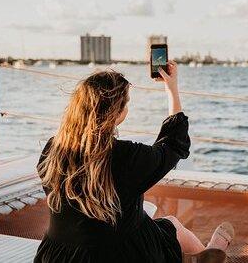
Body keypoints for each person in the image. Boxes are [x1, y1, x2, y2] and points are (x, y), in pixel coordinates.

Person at [34, 61, 234, 263]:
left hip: (57, 257)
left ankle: (206, 256)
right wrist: (171, 88)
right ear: (116, 113)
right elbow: (174, 145)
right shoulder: (127, 157)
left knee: (147, 222)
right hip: (122, 255)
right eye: (126, 103)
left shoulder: (52, 151)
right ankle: (208, 256)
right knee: (171, 226)